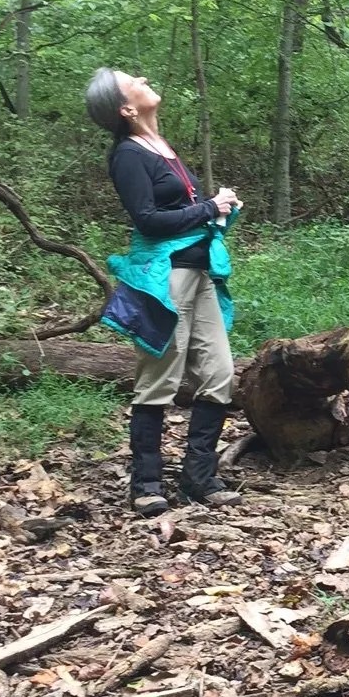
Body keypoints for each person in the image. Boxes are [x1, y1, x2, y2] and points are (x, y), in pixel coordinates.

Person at [86, 67, 242, 517]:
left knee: (220, 374)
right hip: (164, 279)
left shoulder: (163, 147)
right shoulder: (128, 155)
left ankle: (199, 478)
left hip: (201, 275)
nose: (142, 78)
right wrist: (209, 207)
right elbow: (149, 221)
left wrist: (217, 209)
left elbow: (181, 211)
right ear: (125, 108)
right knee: (159, 380)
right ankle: (146, 485)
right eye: (131, 80)